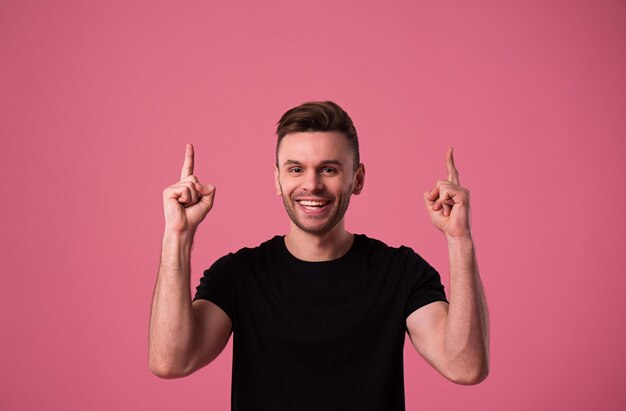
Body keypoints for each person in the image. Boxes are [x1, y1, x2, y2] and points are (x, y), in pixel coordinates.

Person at [149, 101, 489, 410]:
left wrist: (460, 239)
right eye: (296, 169)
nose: (311, 184)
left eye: (328, 169)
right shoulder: (239, 275)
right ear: (278, 180)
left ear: (357, 179)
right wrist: (177, 236)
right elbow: (171, 361)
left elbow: (465, 366)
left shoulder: (400, 272)